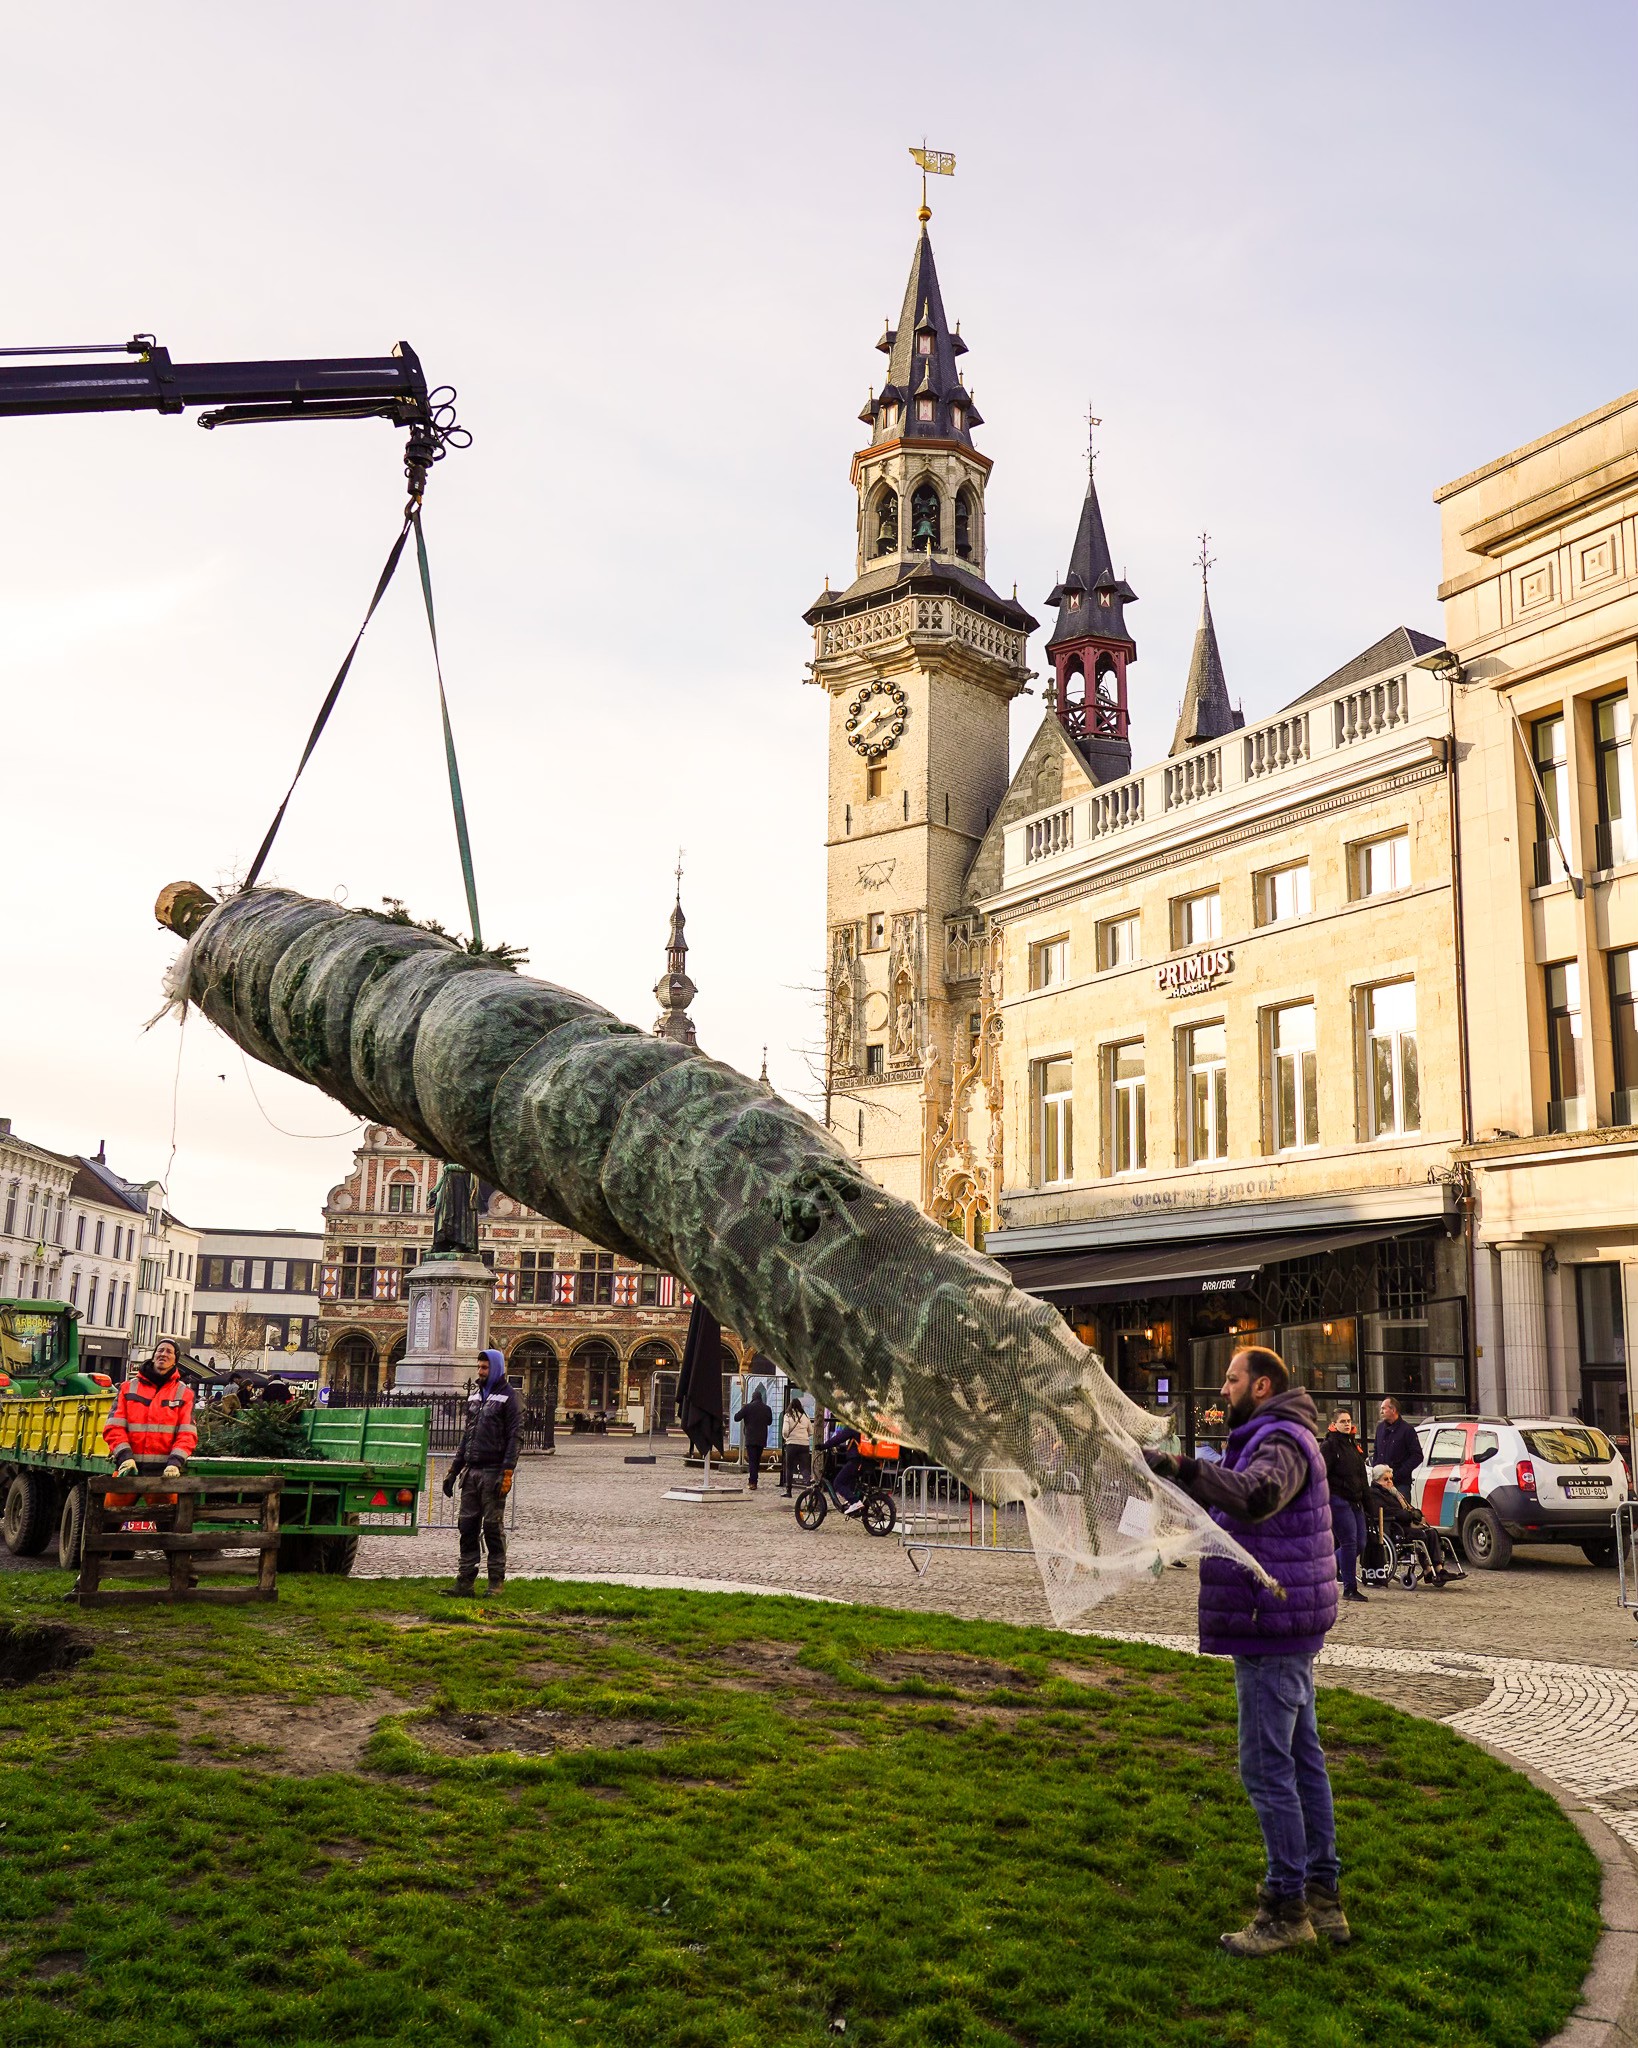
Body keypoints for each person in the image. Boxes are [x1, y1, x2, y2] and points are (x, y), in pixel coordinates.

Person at [1145, 1345, 1348, 1957]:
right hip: (1280, 1621)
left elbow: (1258, 1496)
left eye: (1231, 1379)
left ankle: (1286, 1908)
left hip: (1270, 1626)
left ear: (1261, 1386)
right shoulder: (1273, 1435)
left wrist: (1183, 1467)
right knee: (1302, 1760)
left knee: (1266, 1767)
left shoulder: (1281, 1439)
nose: (1222, 1389)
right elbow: (1232, 1504)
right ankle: (1323, 1897)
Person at [441, 1350, 521, 1596]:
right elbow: (467, 1436)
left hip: (493, 1472)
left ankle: (496, 1581)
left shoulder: (510, 1397)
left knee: (493, 1528)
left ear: (495, 1368)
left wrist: (507, 1471)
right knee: (467, 1527)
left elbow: (515, 1437)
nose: (480, 1371)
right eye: (479, 1367)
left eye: (484, 1367)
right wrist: (454, 1470)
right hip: (471, 1472)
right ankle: (465, 1582)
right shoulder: (476, 1396)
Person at [103, 1338, 197, 1509]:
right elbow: (114, 1427)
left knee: (167, 1522)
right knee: (109, 1518)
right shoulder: (128, 1388)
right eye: (160, 1350)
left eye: (169, 1352)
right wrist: (125, 1457)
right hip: (129, 1469)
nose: (163, 1354)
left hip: (162, 1474)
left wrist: (174, 1463)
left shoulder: (184, 1393)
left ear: (175, 1360)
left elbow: (187, 1434)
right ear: (154, 1356)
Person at [1369, 1465, 1452, 1584]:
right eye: (1385, 1479)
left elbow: (1408, 1508)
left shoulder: (1394, 1493)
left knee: (1431, 1532)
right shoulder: (1374, 1494)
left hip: (1402, 1524)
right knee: (1420, 1535)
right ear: (1377, 1481)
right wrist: (1408, 1515)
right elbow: (1386, 1511)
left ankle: (1438, 1569)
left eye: (1391, 1479)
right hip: (1392, 1527)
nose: (1389, 1482)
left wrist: (1415, 1514)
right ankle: (1428, 1569)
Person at [1323, 1413, 1371, 1603]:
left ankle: (1325, 1566)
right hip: (1338, 1500)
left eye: (1349, 1421)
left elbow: (1362, 1477)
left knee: (1361, 1543)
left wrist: (1370, 1504)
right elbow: (1320, 1474)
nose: (1346, 1424)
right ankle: (1350, 1588)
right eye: (1342, 1421)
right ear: (1333, 1424)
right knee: (1349, 1543)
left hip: (1356, 1500)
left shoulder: (1353, 1445)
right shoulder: (1329, 1446)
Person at [1372, 1398, 1422, 1503]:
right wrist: (1376, 1467)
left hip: (1400, 1483)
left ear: (1393, 1410)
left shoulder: (1407, 1430)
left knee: (1402, 1510)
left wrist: (1398, 1474)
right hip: (1380, 1483)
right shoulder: (1380, 1428)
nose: (1381, 1412)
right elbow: (1376, 1451)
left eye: (1383, 1409)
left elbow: (1417, 1456)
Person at [820, 1420, 864, 1515]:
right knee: (849, 1481)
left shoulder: (855, 1425)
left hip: (856, 1460)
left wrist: (824, 1446)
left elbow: (839, 1438)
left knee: (838, 1483)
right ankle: (854, 1504)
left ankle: (855, 1502)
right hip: (866, 1460)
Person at [734, 1384, 774, 1490]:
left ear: (752, 1398)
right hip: (761, 1438)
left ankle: (752, 1482)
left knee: (752, 1460)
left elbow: (736, 1418)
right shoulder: (767, 1408)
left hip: (750, 1438)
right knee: (757, 1460)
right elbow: (769, 1422)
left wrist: (744, 1412)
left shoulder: (748, 1407)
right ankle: (754, 1480)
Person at [780, 1394, 812, 1496]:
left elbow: (785, 1431)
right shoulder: (805, 1416)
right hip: (804, 1445)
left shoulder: (788, 1416)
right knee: (804, 1467)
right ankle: (809, 1487)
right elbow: (811, 1431)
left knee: (789, 1467)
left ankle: (788, 1491)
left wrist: (786, 1437)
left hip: (792, 1445)